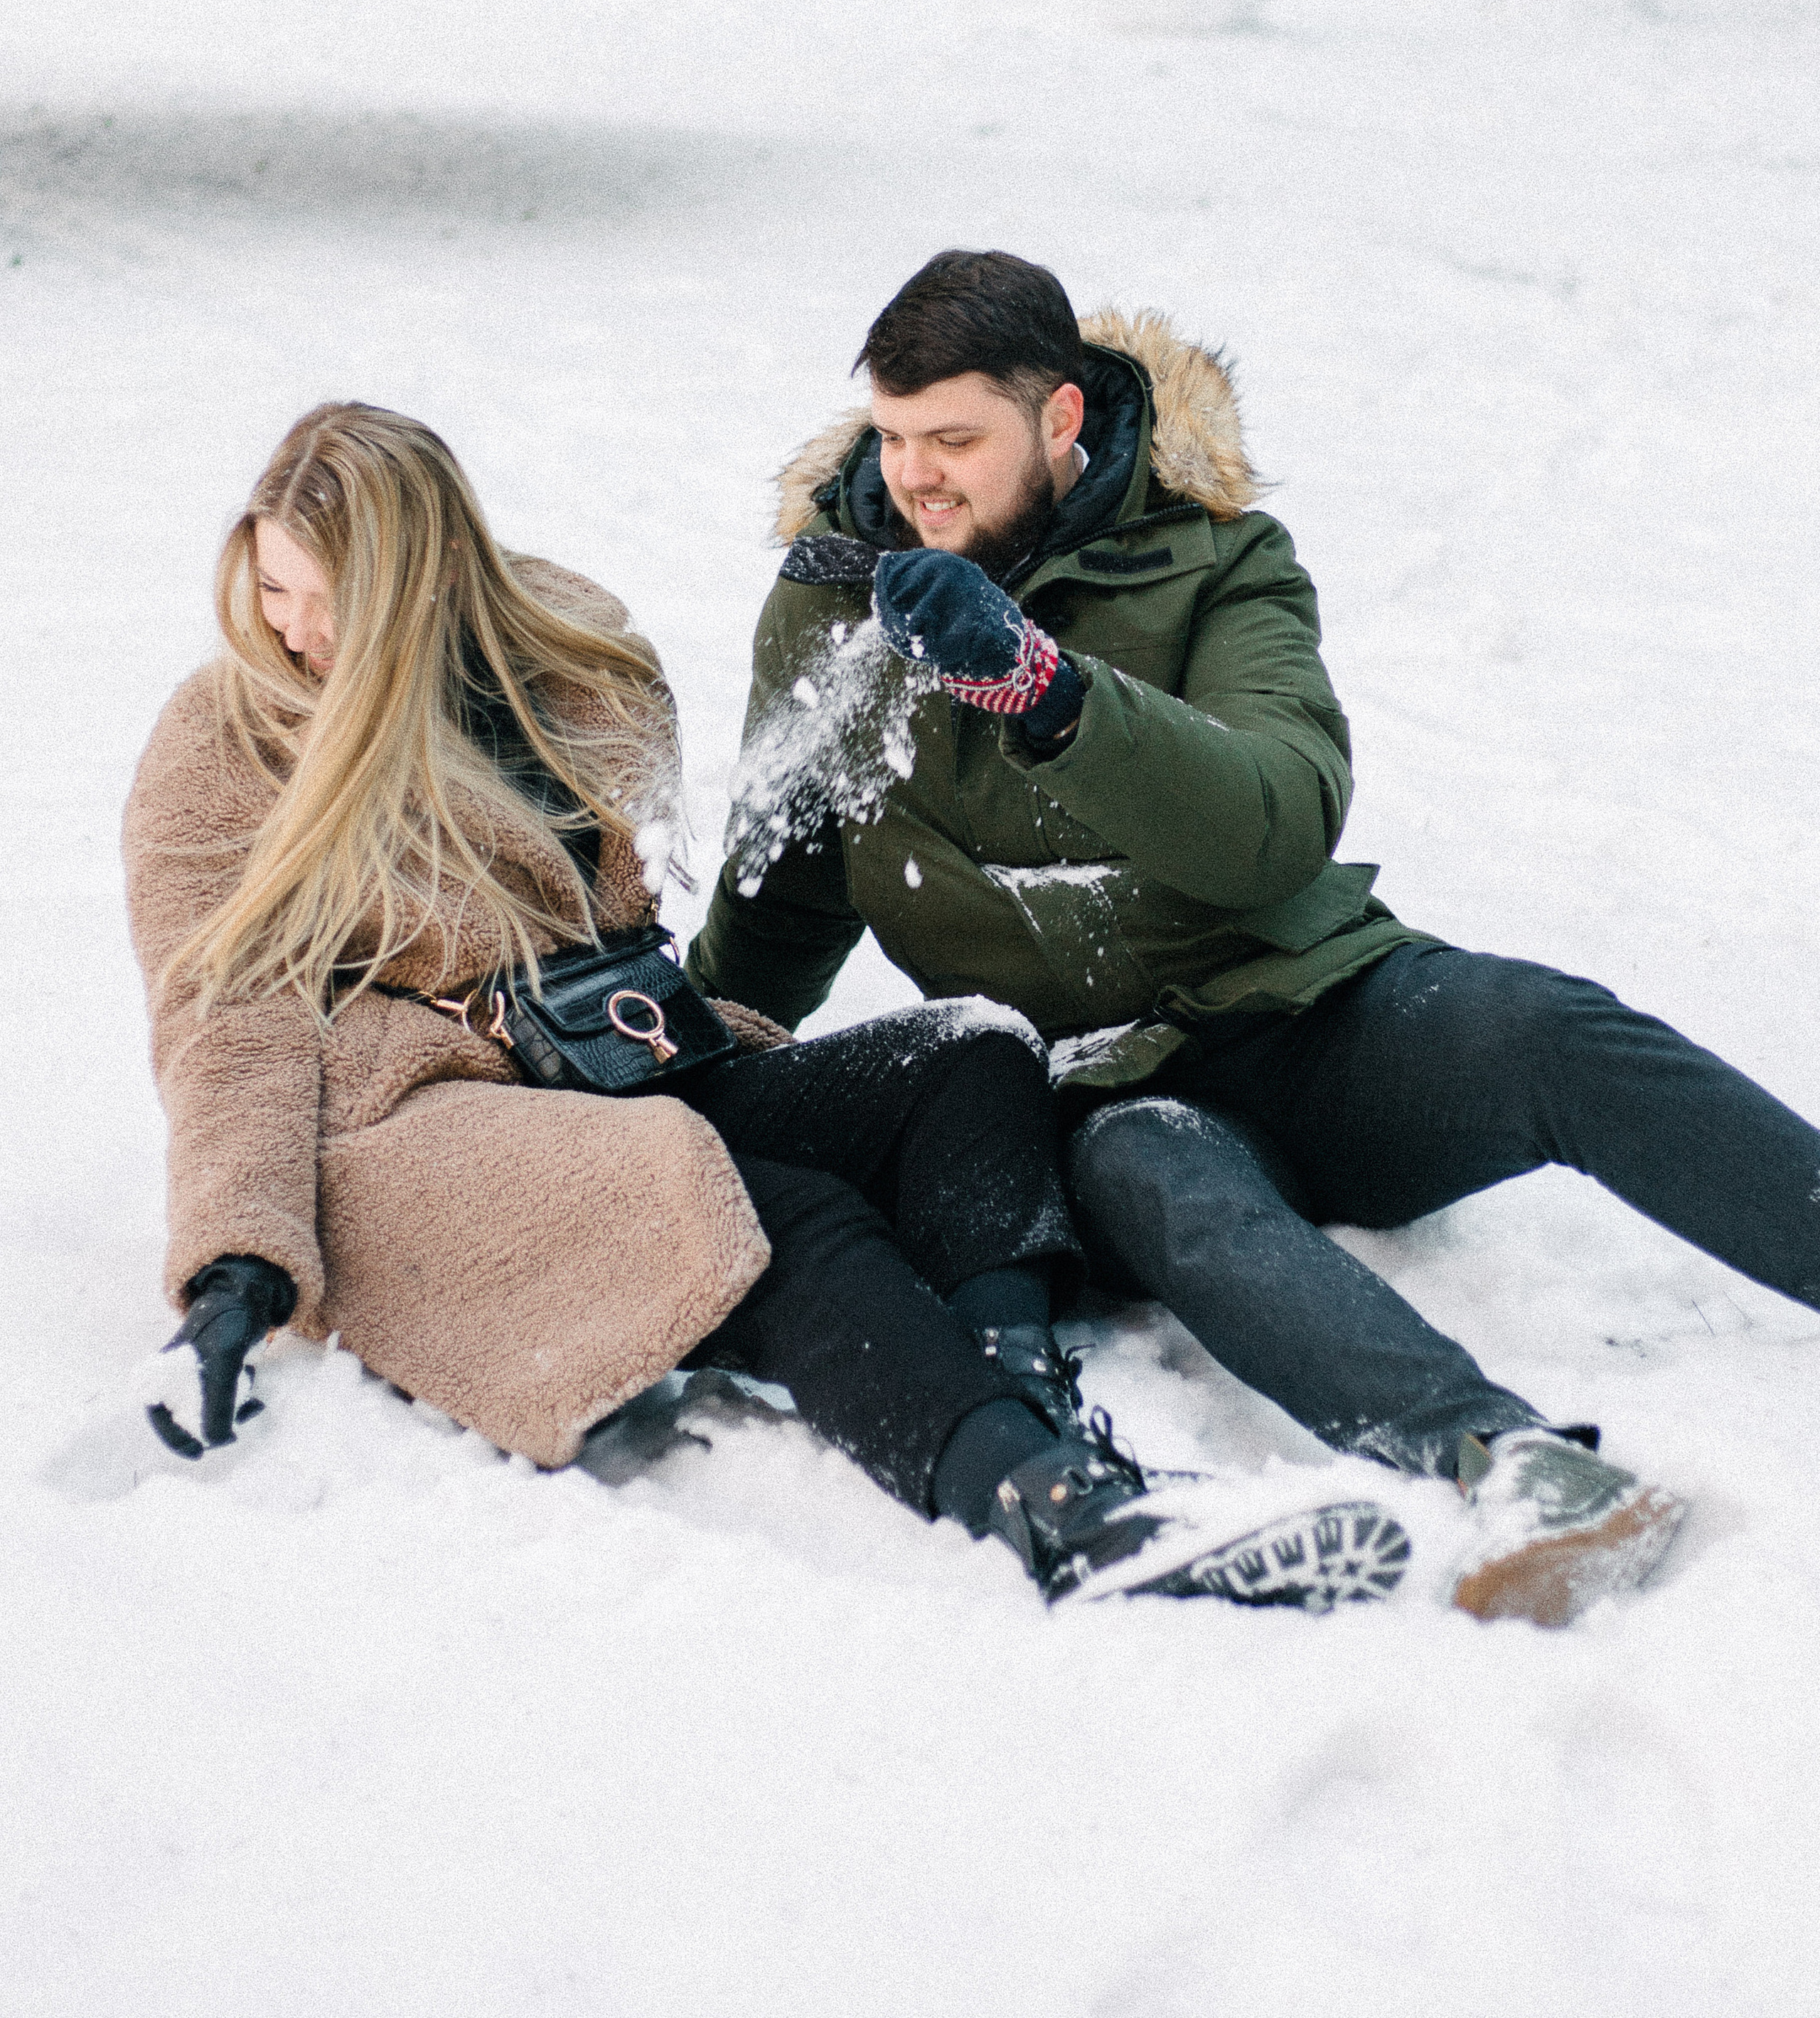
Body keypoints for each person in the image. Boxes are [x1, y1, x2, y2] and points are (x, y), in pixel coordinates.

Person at [122, 399, 1410, 1613]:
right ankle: (1057, 1512)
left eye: (320, 598)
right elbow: (222, 1018)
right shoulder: (227, 741)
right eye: (271, 588)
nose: (289, 631)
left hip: (620, 1071)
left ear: (419, 587)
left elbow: (613, 914)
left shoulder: (552, 667)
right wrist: (235, 1275)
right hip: (430, 1140)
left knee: (974, 1053)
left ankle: (1025, 1393)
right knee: (755, 1206)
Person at [687, 248, 1820, 1628]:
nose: (917, 475)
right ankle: (1501, 1461)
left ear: (1059, 421)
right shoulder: (832, 610)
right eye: (894, 436)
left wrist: (1044, 692)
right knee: (1155, 1170)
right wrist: (681, 1085)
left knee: (1540, 1023)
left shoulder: (1215, 560)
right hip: (1104, 1090)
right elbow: (778, 902)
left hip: (1312, 1017)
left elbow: (1272, 824)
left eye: (956, 441)